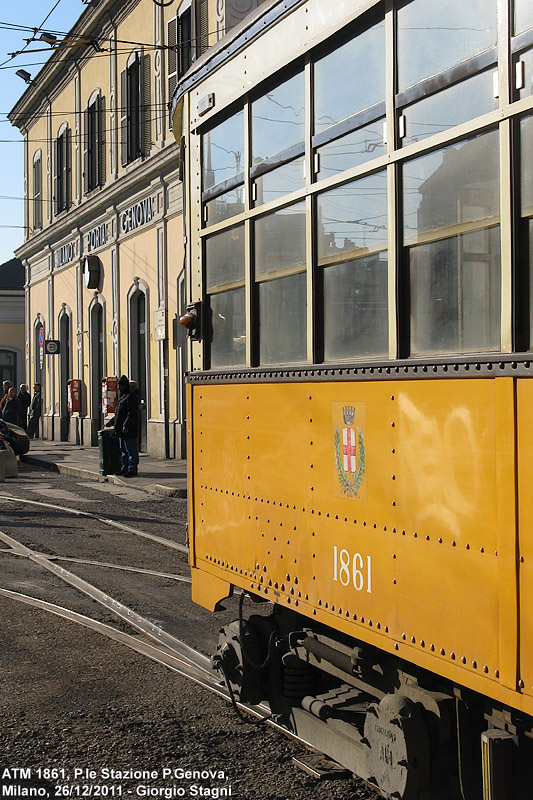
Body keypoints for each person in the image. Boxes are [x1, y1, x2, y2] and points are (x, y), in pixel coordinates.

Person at [107, 375, 140, 477]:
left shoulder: (131, 397)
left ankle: (132, 469)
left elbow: (132, 414)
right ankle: (124, 467)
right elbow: (119, 414)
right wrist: (112, 422)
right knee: (123, 451)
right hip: (121, 430)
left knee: (131, 450)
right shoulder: (122, 397)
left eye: (120, 385)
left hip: (128, 430)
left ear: (125, 386)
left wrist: (126, 426)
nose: (118, 387)